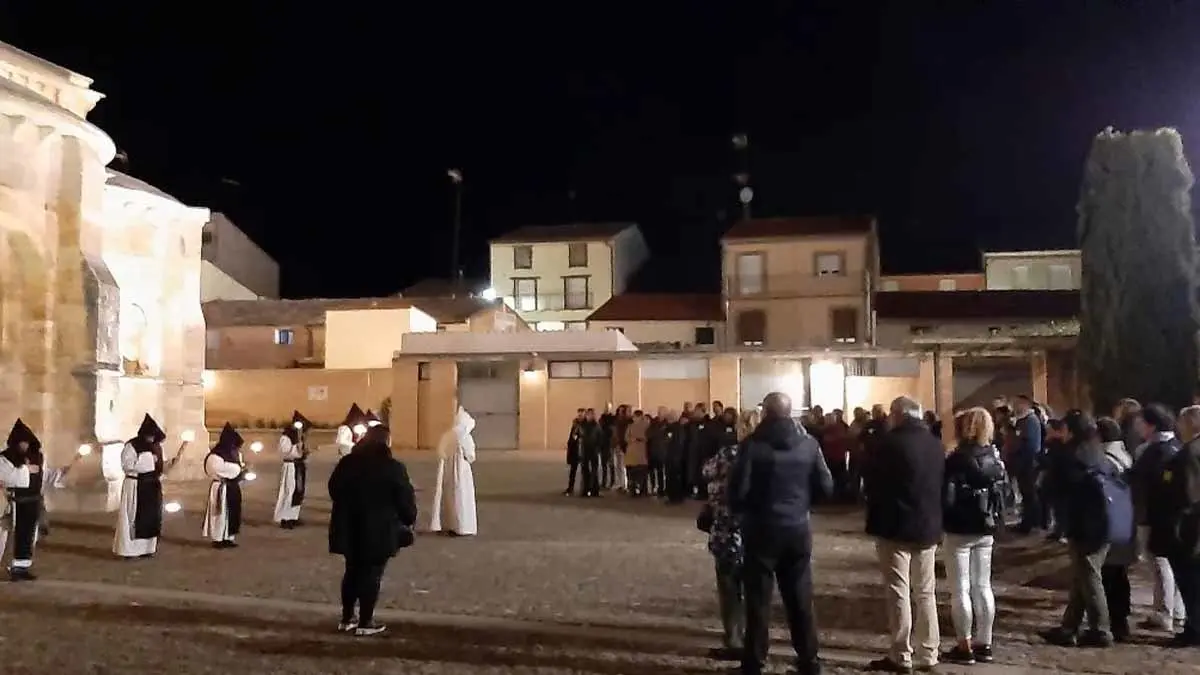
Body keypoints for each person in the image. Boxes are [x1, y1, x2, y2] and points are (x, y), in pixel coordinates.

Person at [729, 392, 834, 675]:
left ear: (766, 412)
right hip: (797, 527)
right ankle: (809, 660)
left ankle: (754, 661)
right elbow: (826, 486)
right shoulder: (809, 444)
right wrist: (802, 504)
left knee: (758, 599)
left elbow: (738, 490)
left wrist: (745, 509)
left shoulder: (752, 446)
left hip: (761, 528)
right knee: (800, 598)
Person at [862, 396, 945, 673]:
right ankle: (930, 652)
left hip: (895, 525)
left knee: (898, 590)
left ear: (896, 414)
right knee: (926, 591)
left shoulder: (887, 444)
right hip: (928, 526)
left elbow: (872, 482)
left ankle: (902, 654)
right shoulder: (935, 443)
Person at [327, 425, 417, 636]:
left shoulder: (347, 463)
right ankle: (366, 621)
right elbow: (404, 498)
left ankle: (347, 617)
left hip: (349, 526)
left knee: (351, 571)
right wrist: (409, 519)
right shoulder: (392, 467)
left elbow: (334, 489)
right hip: (379, 529)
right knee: (371, 574)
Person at [1042, 410, 1118, 647]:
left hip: (1085, 525)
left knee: (1089, 576)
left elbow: (1054, 488)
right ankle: (1069, 626)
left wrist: (1053, 453)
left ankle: (1100, 629)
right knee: (1082, 578)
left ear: (1071, 431)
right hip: (1103, 522)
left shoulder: (1070, 456)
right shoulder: (1096, 451)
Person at [941, 407, 1006, 665]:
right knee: (983, 586)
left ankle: (964, 644)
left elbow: (946, 494)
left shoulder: (956, 458)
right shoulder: (994, 455)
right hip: (986, 525)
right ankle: (985, 642)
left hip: (959, 527)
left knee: (960, 589)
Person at [1133, 403, 1186, 634]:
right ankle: (1175, 611)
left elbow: (1143, 483)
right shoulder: (1176, 446)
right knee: (1169, 563)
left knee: (1160, 563)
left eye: (1141, 422)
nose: (1137, 427)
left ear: (1151, 425)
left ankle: (1165, 612)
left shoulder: (1154, 451)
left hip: (1156, 515)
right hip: (1172, 515)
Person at [700, 413, 747, 662]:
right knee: (755, 591)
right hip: (759, 533)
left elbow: (706, 470)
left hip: (728, 532)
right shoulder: (767, 454)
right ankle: (754, 640)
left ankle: (734, 639)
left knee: (729, 590)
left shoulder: (729, 455)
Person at [1163, 405, 1200, 646]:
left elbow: (1186, 495)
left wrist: (1175, 526)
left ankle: (1195, 628)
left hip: (1190, 528)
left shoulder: (1188, 454)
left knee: (1190, 581)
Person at [1096, 416, 1136, 642]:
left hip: (1110, 524)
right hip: (1124, 522)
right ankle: (1120, 619)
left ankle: (1116, 621)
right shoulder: (1124, 454)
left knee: (1110, 575)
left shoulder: (1106, 460)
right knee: (1119, 574)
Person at [113, 414, 168, 559]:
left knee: (151, 517)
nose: (151, 439)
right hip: (135, 485)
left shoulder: (156, 447)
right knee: (132, 517)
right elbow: (128, 465)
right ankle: (129, 550)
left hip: (151, 486)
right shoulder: (132, 446)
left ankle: (147, 548)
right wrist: (149, 459)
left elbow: (160, 466)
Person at [430, 404, 478, 536]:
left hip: (447, 469)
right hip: (462, 470)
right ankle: (463, 526)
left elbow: (440, 451)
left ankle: (449, 524)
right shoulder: (464, 436)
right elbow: (470, 455)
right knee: (462, 496)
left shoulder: (448, 434)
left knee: (449, 495)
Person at [1, 419, 39, 580]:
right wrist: (26, 471)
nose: (24, 446)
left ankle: (21, 567)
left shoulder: (36, 457)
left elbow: (47, 477)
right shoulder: (4, 459)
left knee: (28, 537)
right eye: (22, 443)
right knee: (11, 537)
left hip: (31, 502)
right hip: (13, 504)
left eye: (27, 443)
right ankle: (10, 567)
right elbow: (5, 477)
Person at [202, 423, 247, 549]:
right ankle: (218, 539)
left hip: (232, 487)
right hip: (221, 487)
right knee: (220, 514)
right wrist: (239, 469)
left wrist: (241, 470)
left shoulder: (235, 455)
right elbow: (219, 469)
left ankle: (228, 537)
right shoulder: (215, 456)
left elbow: (237, 467)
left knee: (231, 512)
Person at [1012, 395, 1045, 534]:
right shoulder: (1021, 421)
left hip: (1029, 462)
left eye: (1017, 403)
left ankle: (1031, 522)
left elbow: (1030, 444)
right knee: (1026, 494)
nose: (1015, 406)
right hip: (1023, 462)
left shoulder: (1031, 421)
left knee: (1029, 493)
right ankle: (1028, 520)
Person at [273, 412, 310, 529]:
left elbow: (301, 452)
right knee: (289, 491)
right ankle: (284, 517)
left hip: (298, 466)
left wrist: (304, 452)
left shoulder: (300, 437)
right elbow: (285, 452)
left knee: (298, 491)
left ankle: (293, 516)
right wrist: (297, 448)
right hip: (290, 467)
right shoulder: (286, 437)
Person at [624, 410, 650, 497]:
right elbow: (626, 437)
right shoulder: (632, 426)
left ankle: (638, 490)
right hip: (635, 453)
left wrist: (635, 439)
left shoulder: (645, 426)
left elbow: (627, 437)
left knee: (638, 473)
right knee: (637, 473)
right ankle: (637, 490)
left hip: (639, 453)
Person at [564, 408, 585, 496]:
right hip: (574, 450)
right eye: (579, 414)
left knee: (585, 470)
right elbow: (572, 437)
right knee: (573, 470)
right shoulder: (575, 424)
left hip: (583, 449)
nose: (580, 416)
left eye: (581, 414)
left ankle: (584, 488)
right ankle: (570, 487)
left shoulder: (585, 425)